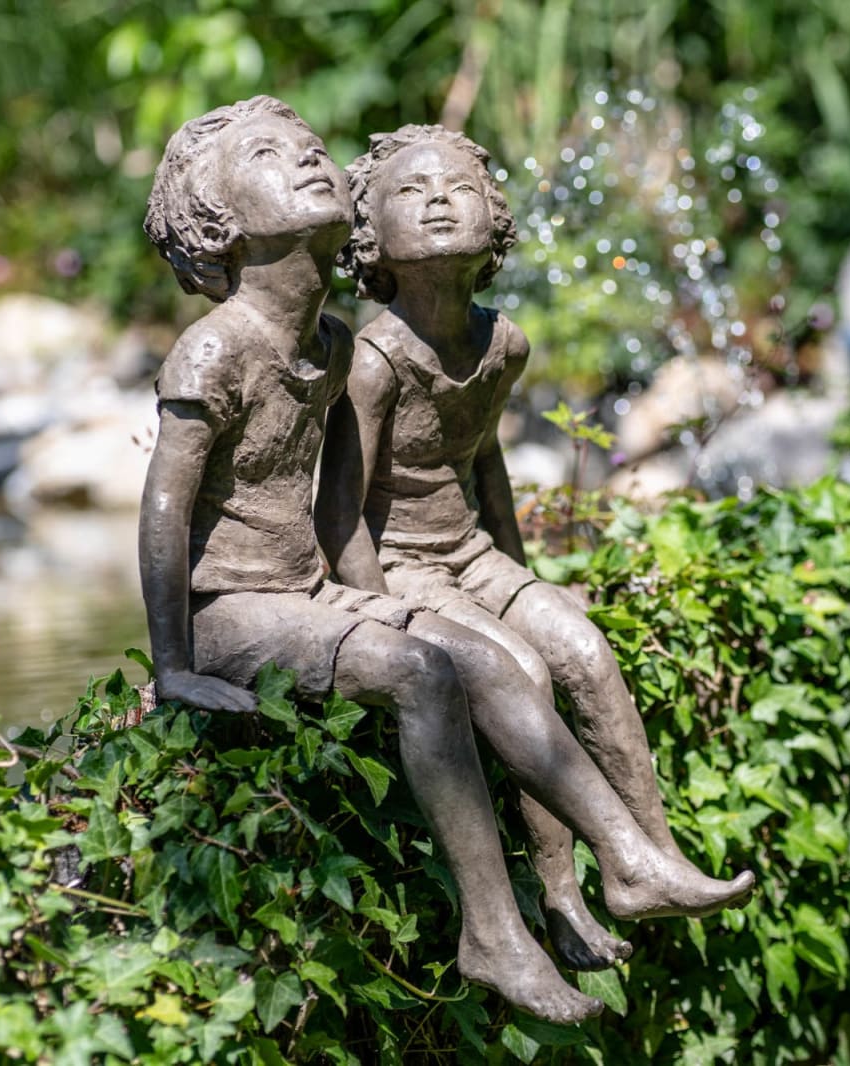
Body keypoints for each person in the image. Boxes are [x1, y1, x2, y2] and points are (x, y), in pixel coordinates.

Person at [141, 98, 749, 1021]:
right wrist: (175, 666)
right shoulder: (216, 347)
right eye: (270, 156)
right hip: (230, 609)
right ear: (215, 220)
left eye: (312, 147)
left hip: (307, 596)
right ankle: (494, 937)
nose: (309, 159)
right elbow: (162, 510)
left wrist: (363, 594)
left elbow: (344, 512)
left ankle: (629, 861)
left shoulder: (333, 343)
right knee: (422, 669)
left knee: (496, 662)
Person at [321, 124, 751, 971]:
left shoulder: (502, 344)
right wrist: (381, 609)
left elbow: (487, 463)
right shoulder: (375, 359)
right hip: (402, 563)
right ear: (371, 234)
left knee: (585, 651)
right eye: (411, 191)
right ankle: (561, 892)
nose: (439, 199)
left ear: (496, 218)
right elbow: (338, 513)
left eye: (459, 186)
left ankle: (652, 862)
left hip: (474, 556)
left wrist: (524, 577)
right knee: (523, 669)